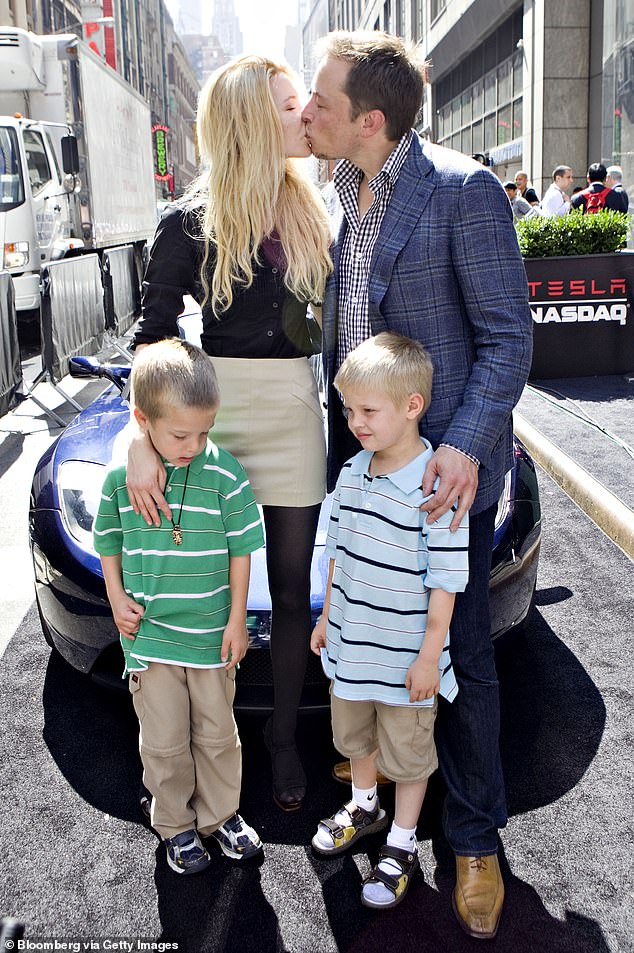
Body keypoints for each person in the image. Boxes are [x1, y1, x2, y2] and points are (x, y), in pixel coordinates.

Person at [302, 30, 533, 939]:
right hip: (356, 463)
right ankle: (372, 792)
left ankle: (473, 839)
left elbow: (509, 338)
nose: (308, 113)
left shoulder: (462, 189)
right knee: (360, 630)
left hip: (440, 475)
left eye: (322, 101)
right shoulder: (339, 187)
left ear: (370, 118)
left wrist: (468, 445)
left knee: (459, 655)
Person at [124, 56, 333, 813]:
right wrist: (141, 435)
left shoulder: (317, 206)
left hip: (292, 416)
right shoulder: (185, 221)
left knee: (286, 590)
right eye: (287, 105)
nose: (304, 111)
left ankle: (280, 736)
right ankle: (204, 742)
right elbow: (150, 339)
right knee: (208, 588)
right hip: (213, 418)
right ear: (250, 120)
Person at [93, 339, 265, 874]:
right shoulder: (123, 480)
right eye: (180, 434)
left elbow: (242, 550)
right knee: (164, 742)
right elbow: (108, 542)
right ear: (143, 420)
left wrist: (238, 619)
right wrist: (116, 596)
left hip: (213, 636)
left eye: (204, 431)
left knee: (217, 734)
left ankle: (222, 816)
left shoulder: (226, 475)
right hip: (149, 639)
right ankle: (174, 825)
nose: (194, 444)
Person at [310, 332, 469, 911]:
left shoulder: (437, 487)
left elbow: (445, 582)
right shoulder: (350, 473)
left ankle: (402, 844)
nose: (355, 421)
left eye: (367, 410)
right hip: (352, 650)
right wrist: (328, 616)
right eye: (348, 409)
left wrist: (429, 655)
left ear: (412, 406)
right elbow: (338, 555)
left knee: (407, 754)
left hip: (406, 661)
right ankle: (362, 803)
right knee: (356, 739)